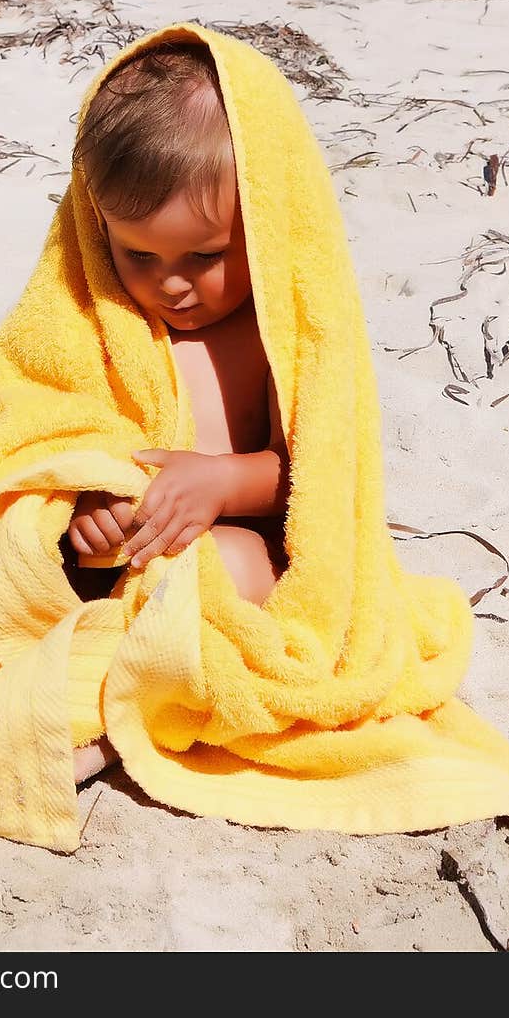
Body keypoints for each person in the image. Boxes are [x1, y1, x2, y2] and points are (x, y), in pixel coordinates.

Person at [65, 39, 292, 784]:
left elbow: (314, 479)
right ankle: (89, 698)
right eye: (138, 256)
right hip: (121, 568)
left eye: (203, 256)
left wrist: (223, 483)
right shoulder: (98, 323)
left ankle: (119, 721)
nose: (173, 286)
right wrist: (82, 511)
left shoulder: (273, 337)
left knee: (234, 563)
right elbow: (41, 435)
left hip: (231, 564)